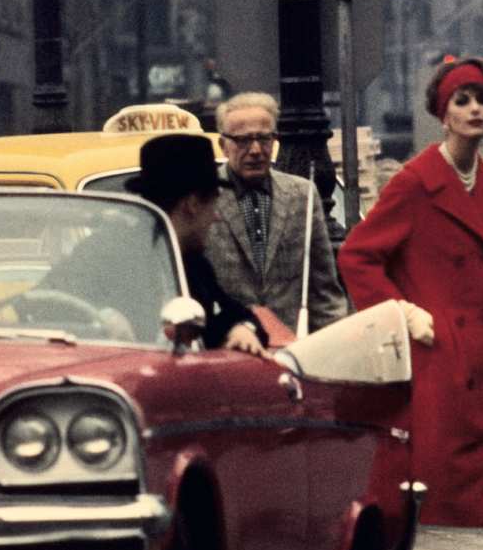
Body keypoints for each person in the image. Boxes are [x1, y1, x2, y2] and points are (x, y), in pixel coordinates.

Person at [338, 57, 483, 550]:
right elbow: (358, 256)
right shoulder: (416, 181)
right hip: (435, 364)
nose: (475, 110)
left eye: (482, 100)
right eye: (462, 100)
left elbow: (473, 261)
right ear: (441, 111)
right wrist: (402, 313)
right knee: (409, 498)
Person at [204, 92, 347, 337]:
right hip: (230, 349)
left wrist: (332, 347)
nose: (256, 150)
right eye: (243, 141)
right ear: (223, 145)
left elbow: (325, 291)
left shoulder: (302, 195)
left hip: (293, 348)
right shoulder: (205, 197)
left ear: (275, 139)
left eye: (264, 138)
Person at [130, 133, 268, 355]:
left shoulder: (195, 264)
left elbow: (238, 314)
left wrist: (243, 329)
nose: (215, 216)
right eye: (212, 204)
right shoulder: (109, 258)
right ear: (193, 204)